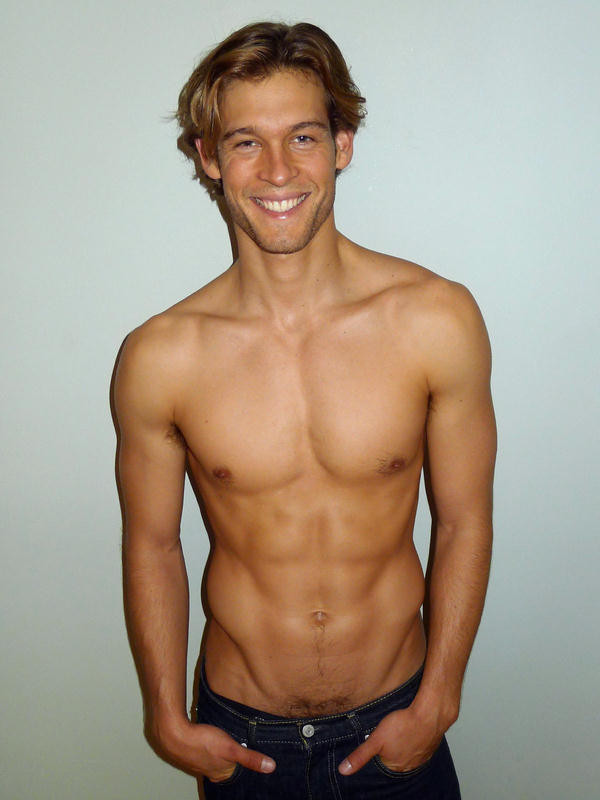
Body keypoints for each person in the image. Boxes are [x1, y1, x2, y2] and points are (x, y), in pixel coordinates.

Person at [113, 20, 496, 800]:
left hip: (397, 727)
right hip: (242, 741)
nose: (278, 170)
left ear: (342, 145)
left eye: (303, 137)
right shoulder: (161, 357)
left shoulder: (436, 320)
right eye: (245, 142)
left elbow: (464, 521)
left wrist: (440, 700)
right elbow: (152, 546)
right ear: (209, 157)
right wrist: (167, 717)